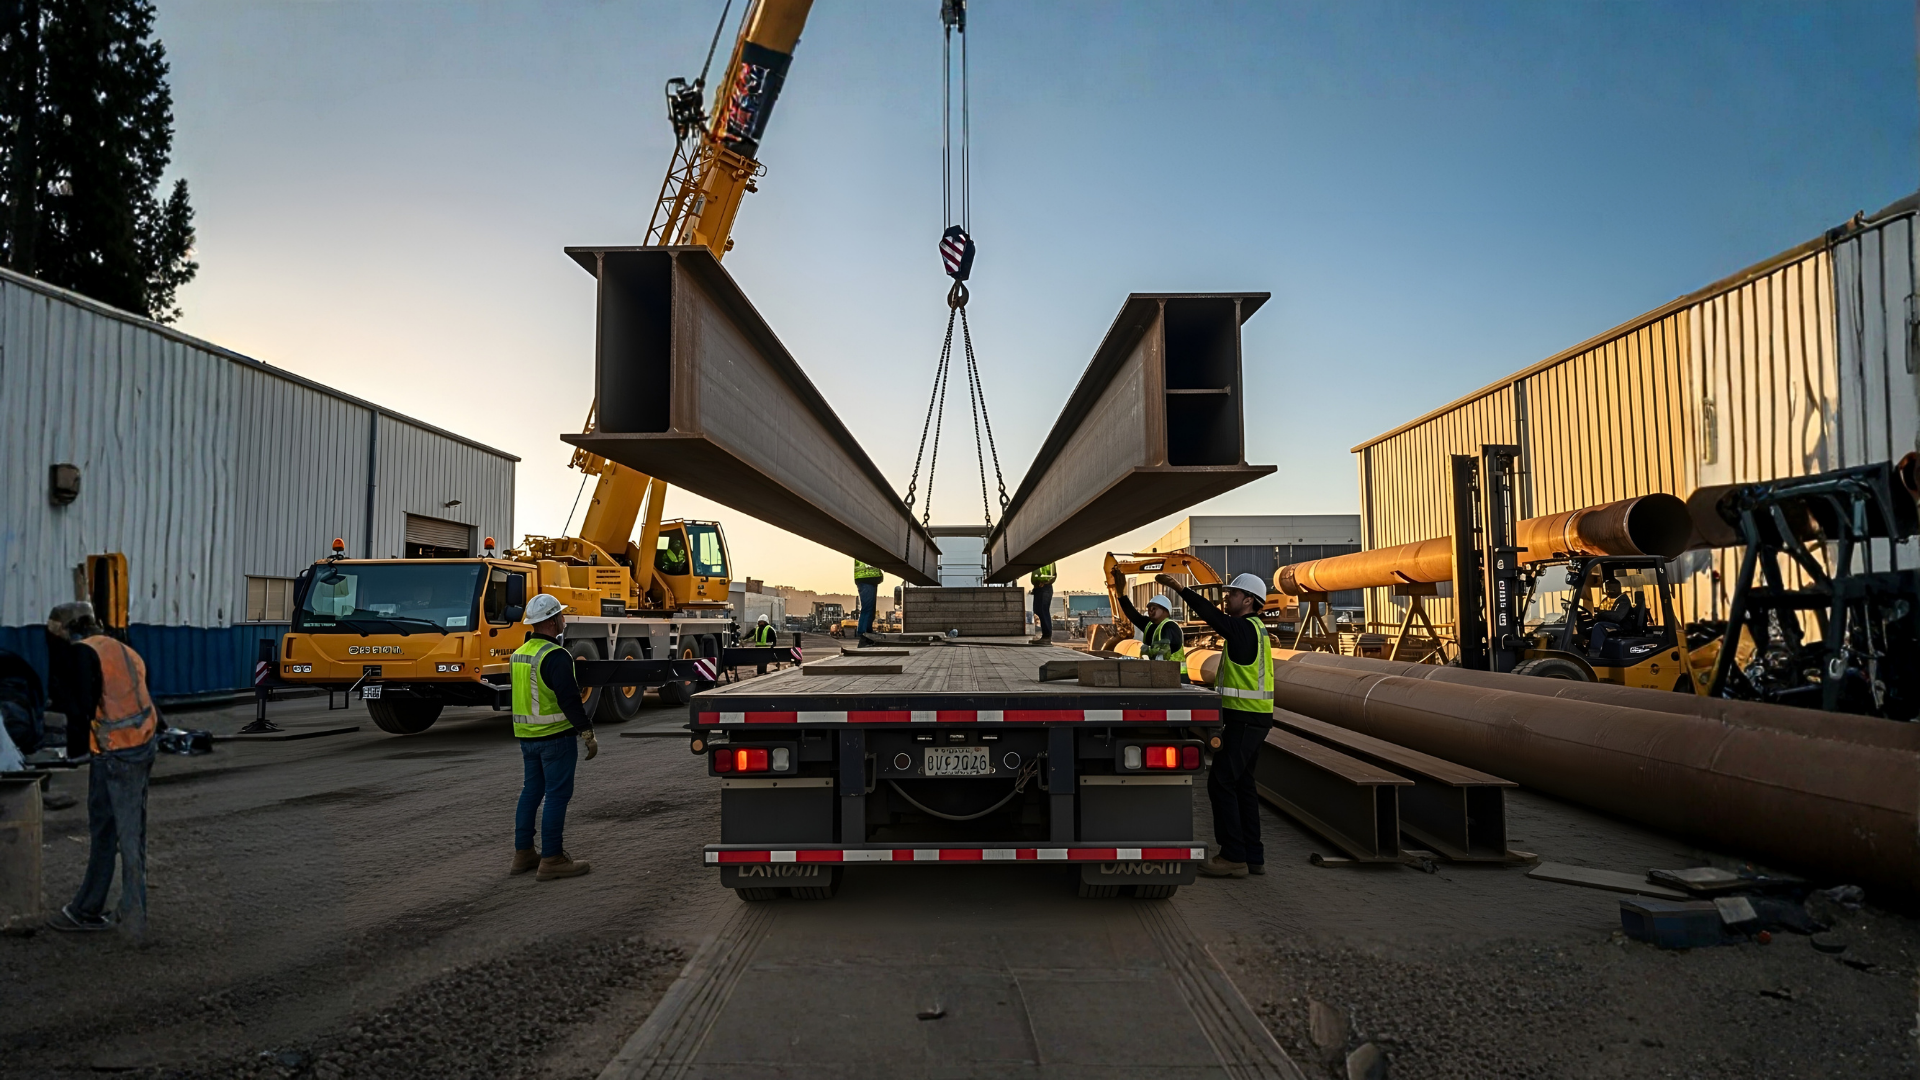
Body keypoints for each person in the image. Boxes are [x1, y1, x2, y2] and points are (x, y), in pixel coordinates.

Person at [44, 602, 162, 938]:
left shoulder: (82, 653)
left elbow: (79, 706)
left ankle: (123, 916)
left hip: (115, 754)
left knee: (114, 834)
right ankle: (100, 907)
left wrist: (73, 751)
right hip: (142, 746)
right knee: (126, 831)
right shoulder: (124, 649)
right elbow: (141, 697)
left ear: (67, 630)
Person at [1156, 571, 1273, 878]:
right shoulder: (1256, 629)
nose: (1226, 597)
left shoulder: (1243, 629)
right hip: (1253, 718)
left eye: (1232, 594)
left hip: (1245, 718)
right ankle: (1253, 856)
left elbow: (1212, 616)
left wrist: (1181, 588)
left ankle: (1233, 855)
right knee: (1243, 785)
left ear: (1248, 600)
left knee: (1220, 782)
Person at [510, 593, 598, 881]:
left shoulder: (520, 653)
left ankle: (523, 854)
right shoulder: (556, 656)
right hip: (555, 738)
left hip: (527, 737)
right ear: (550, 621)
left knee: (531, 793)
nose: (564, 619)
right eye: (560, 615)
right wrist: (586, 732)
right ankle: (552, 859)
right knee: (557, 796)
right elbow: (570, 699)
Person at [1111, 575, 1185, 669]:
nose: (1150, 611)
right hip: (1159, 672)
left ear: (1165, 611)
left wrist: (1145, 652)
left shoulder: (1170, 627)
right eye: (1149, 608)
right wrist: (1121, 595)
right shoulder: (1150, 625)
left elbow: (1162, 653)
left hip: (1176, 675)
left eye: (1154, 608)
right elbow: (1133, 615)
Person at [853, 560, 883, 643]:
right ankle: (863, 633)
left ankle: (868, 632)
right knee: (867, 608)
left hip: (869, 577)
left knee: (870, 608)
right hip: (866, 577)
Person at [1031, 563, 1057, 641]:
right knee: (1038, 610)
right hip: (1039, 587)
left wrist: (1044, 581)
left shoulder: (1046, 559)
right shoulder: (1037, 560)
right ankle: (1046, 636)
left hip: (1044, 586)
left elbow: (1051, 574)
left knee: (1043, 610)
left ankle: (1047, 636)